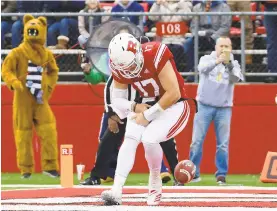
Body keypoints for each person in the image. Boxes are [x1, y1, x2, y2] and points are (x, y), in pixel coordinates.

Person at [101, 33, 191, 206]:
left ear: (138, 52)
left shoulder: (155, 52)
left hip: (175, 105)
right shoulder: (119, 64)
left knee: (149, 139)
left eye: (131, 64)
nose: (129, 70)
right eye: (125, 68)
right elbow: (117, 100)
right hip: (147, 103)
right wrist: (135, 107)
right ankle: (116, 190)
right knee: (130, 138)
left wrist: (146, 115)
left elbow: (174, 93)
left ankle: (155, 181)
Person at [80, 26, 177, 185]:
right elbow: (111, 90)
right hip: (127, 108)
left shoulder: (148, 59)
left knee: (163, 136)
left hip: (147, 103)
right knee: (109, 139)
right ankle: (98, 175)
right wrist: (111, 112)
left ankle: (172, 171)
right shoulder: (117, 68)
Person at [189, 37, 243, 185]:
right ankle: (194, 173)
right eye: (221, 46)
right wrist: (218, 61)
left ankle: (221, 175)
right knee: (196, 141)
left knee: (223, 144)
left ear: (231, 48)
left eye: (227, 46)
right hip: (204, 105)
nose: (224, 49)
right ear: (216, 47)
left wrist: (229, 65)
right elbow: (201, 69)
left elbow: (236, 78)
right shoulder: (207, 58)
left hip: (224, 108)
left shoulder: (234, 63)